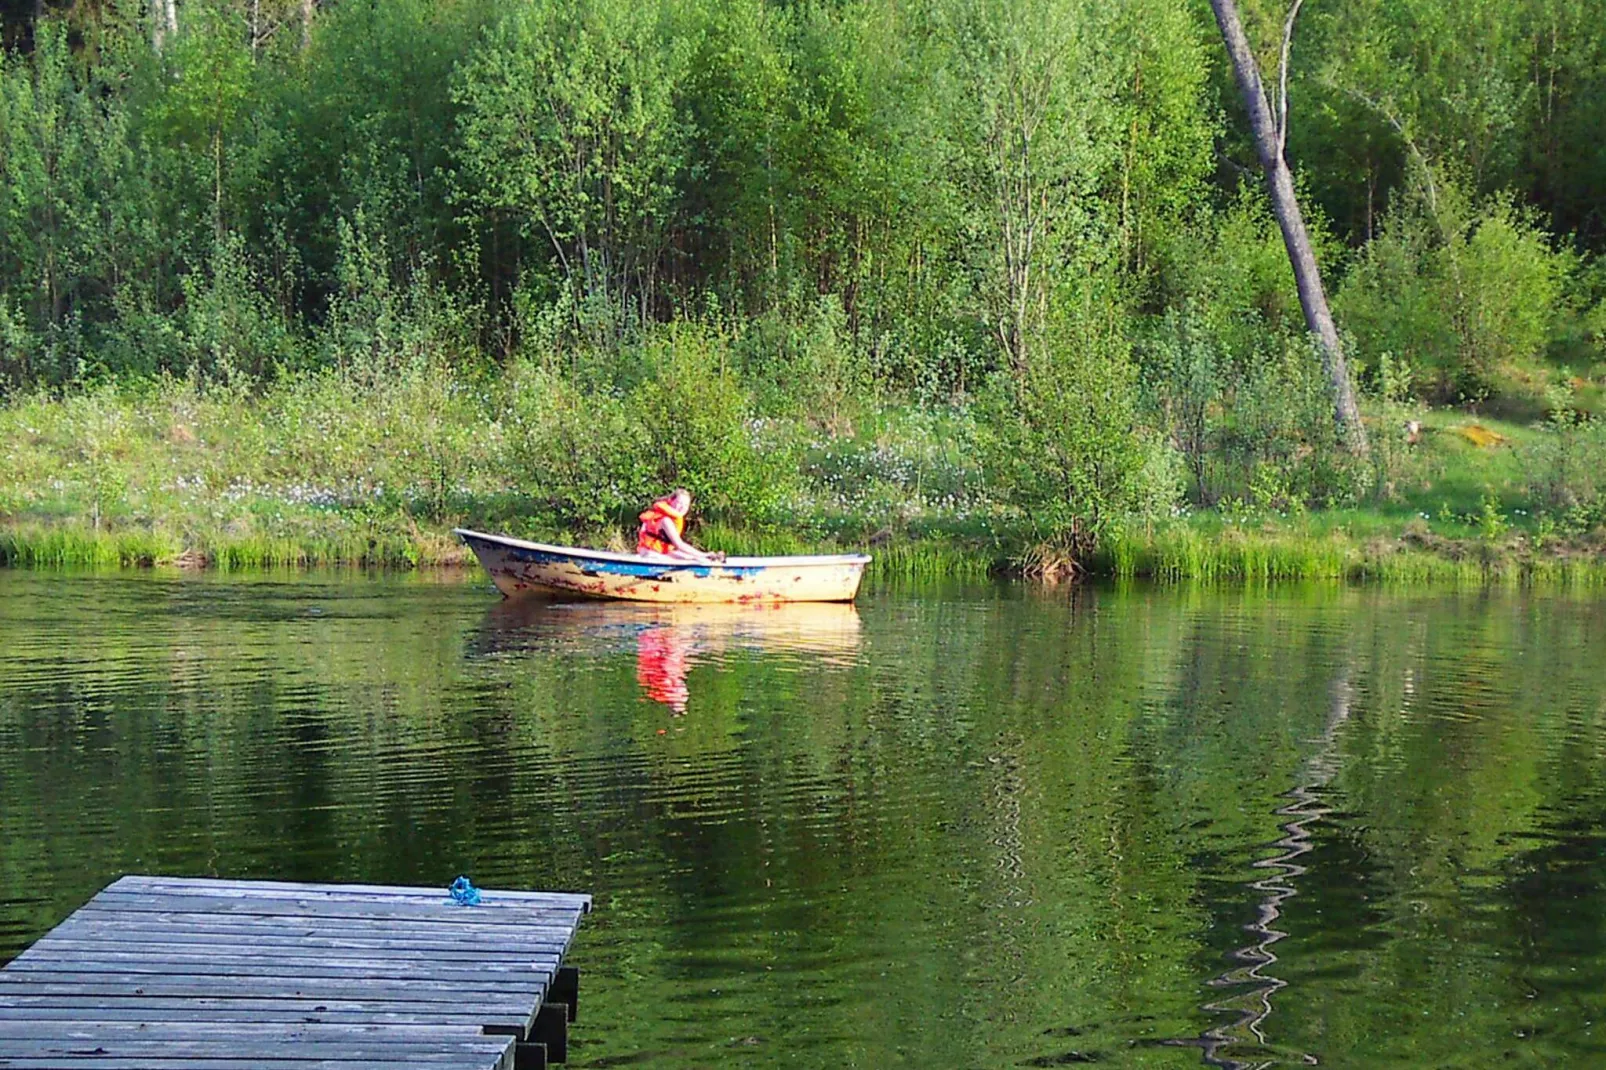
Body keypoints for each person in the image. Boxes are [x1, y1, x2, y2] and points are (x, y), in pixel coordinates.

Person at [637, 488, 724, 562]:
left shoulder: (673, 519)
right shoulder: (665, 520)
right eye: (679, 503)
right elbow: (679, 544)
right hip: (649, 553)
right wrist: (704, 554)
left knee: (692, 558)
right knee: (693, 558)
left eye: (686, 505)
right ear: (671, 501)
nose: (682, 507)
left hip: (662, 552)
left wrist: (700, 556)